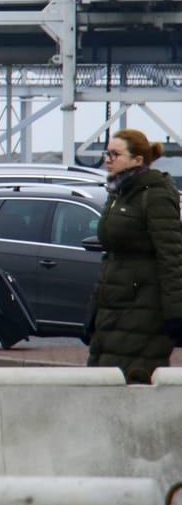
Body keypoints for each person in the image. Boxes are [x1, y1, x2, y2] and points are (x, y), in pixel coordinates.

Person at [86, 129, 182, 383]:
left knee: (133, 380)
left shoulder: (156, 194)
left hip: (143, 308)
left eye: (115, 154)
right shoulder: (118, 193)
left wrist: (175, 313)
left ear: (137, 160)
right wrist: (94, 310)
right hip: (113, 306)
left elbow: (171, 255)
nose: (108, 159)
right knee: (102, 382)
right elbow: (112, 256)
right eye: (106, 153)